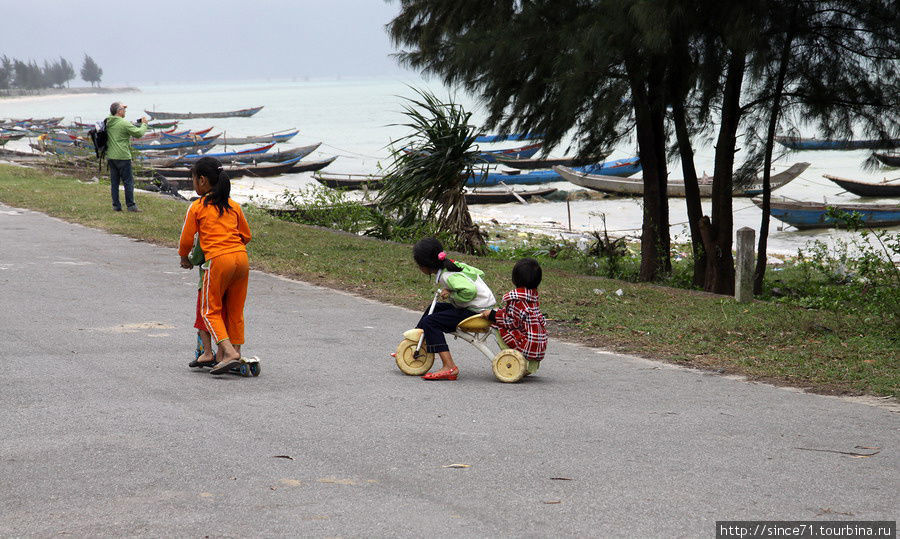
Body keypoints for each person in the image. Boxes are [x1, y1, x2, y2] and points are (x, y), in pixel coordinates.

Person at [178, 156, 252, 375]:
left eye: (193, 179)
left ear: (202, 180)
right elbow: (246, 235)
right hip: (241, 258)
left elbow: (185, 240)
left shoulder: (197, 206)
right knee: (236, 310)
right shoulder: (234, 205)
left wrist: (184, 258)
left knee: (210, 311)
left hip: (218, 261)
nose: (193, 183)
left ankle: (229, 352)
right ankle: (233, 353)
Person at [412, 237, 496, 381]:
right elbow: (478, 272)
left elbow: (469, 291)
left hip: (476, 311)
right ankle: (416, 344)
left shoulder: (447, 275)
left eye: (419, 265)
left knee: (430, 322)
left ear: (425, 265)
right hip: (480, 305)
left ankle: (449, 366)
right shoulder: (451, 264)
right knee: (433, 309)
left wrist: (451, 292)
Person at [481, 257, 548, 364]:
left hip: (526, 346)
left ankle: (514, 358)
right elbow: (519, 317)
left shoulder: (517, 300)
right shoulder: (532, 298)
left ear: (514, 279)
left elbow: (510, 321)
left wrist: (492, 315)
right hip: (539, 347)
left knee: (498, 326)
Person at [106, 101, 148, 212]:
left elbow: (112, 113)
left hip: (111, 156)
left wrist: (118, 107)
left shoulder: (108, 121)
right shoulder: (124, 123)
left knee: (114, 183)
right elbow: (138, 133)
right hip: (123, 156)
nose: (125, 111)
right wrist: (144, 124)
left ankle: (116, 206)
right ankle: (131, 206)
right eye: (123, 110)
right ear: (119, 111)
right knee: (128, 182)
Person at [186, 237, 215, 368]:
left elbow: (196, 257)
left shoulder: (205, 229)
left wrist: (188, 257)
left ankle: (206, 352)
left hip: (207, 280)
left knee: (203, 318)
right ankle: (223, 353)